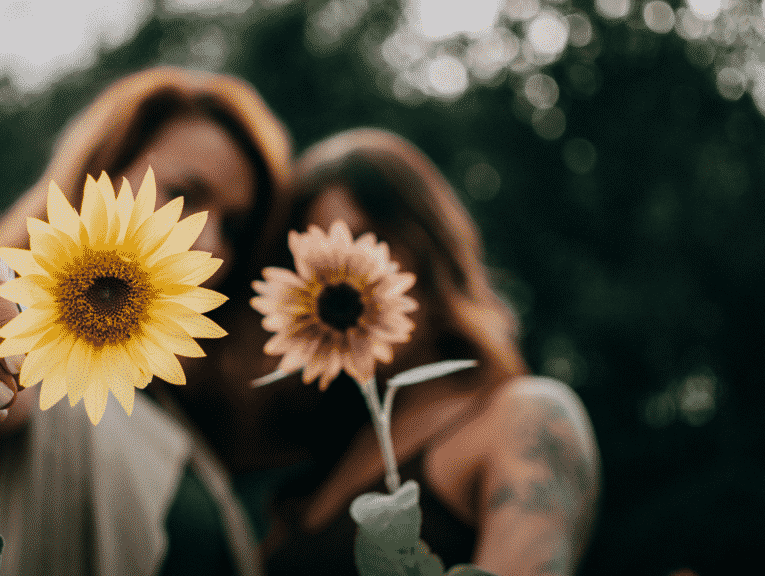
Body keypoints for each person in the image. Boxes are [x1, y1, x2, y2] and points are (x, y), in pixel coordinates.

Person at [0, 66, 292, 576]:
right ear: (101, 175)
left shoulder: (161, 402)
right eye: (184, 193)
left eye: (234, 226)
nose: (208, 241)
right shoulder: (27, 346)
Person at [220, 128, 602, 576]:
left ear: (430, 248)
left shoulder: (523, 419)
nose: (341, 282)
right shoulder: (315, 464)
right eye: (312, 266)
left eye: (367, 243)